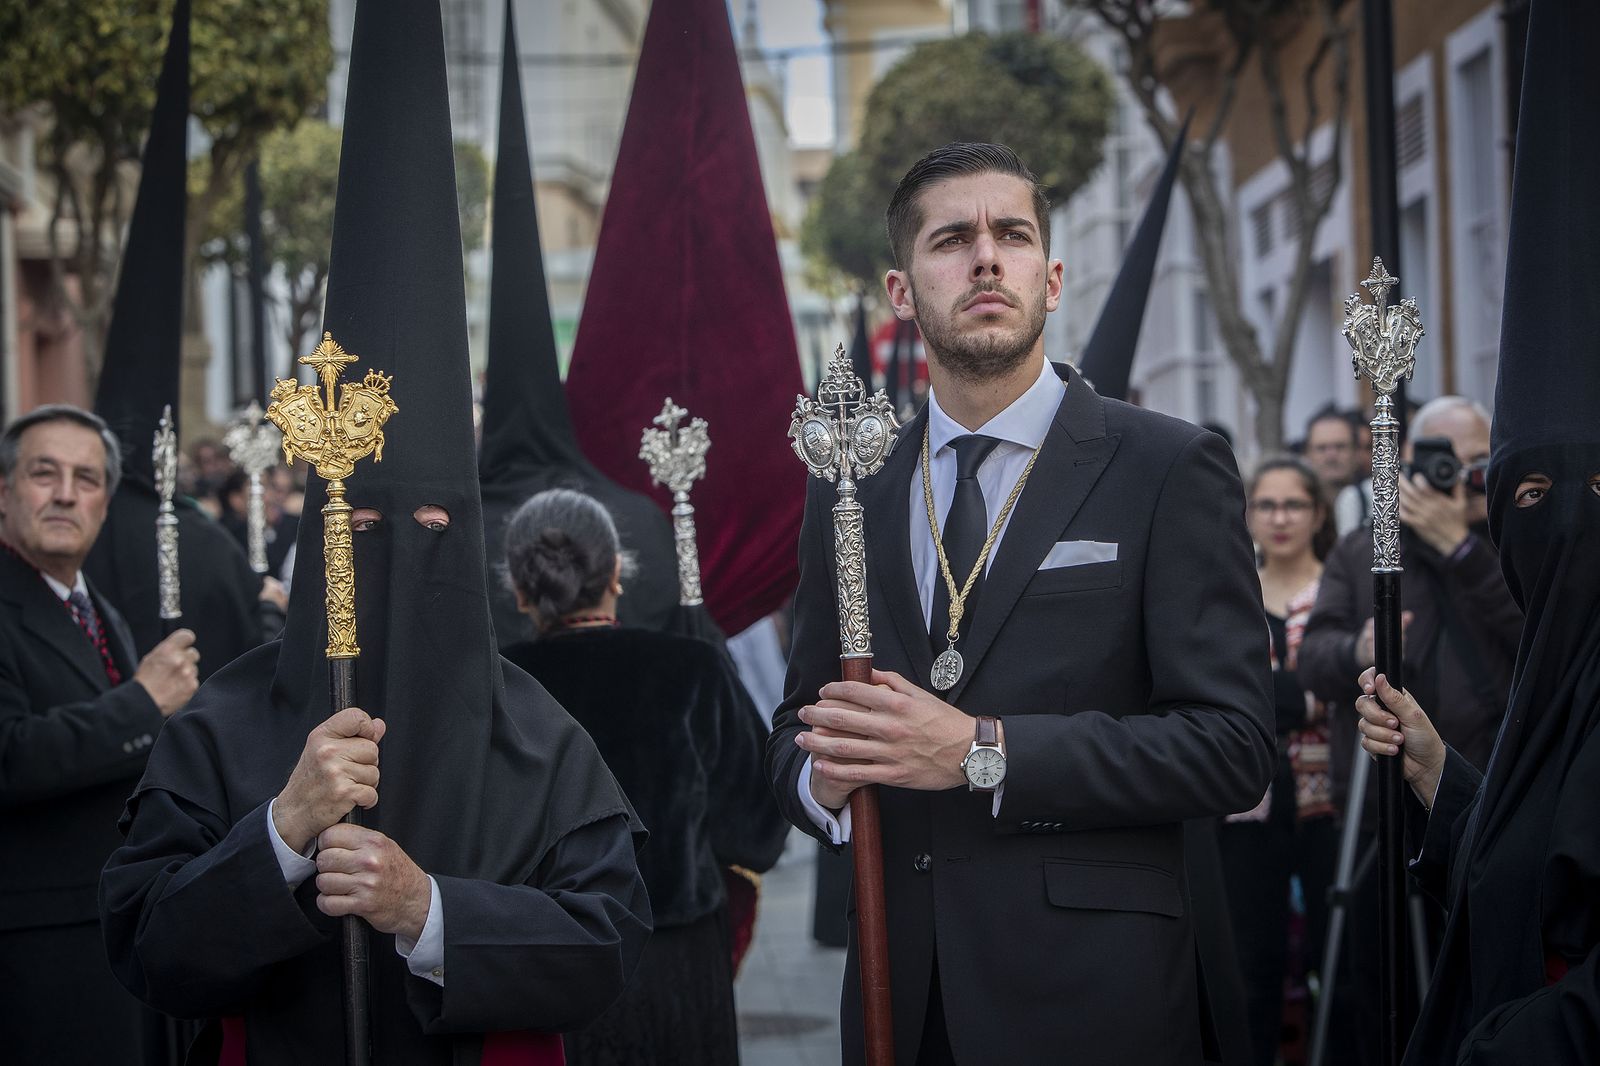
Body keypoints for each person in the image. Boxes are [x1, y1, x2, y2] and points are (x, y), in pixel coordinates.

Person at [98, 1, 651, 1062]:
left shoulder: (538, 741)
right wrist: (281, 833)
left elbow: (607, 945)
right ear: (321, 535)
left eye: (435, 524)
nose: (402, 545)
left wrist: (427, 910)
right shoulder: (220, 728)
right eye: (365, 522)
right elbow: (146, 948)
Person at [767, 142, 1274, 1065]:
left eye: (1013, 234)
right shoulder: (851, 484)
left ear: (1052, 276)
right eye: (952, 239)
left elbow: (1233, 748)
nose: (986, 257)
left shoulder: (1166, 465)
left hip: (1097, 996)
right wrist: (823, 783)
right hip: (903, 999)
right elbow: (794, 724)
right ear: (902, 289)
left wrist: (980, 752)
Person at [500, 488, 789, 1066]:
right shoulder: (691, 669)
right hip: (673, 962)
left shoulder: (497, 689)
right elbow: (755, 832)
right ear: (615, 573)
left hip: (542, 969)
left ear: (520, 589)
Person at [0, 405, 199, 1065]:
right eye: (43, 473)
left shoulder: (96, 606)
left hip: (121, 931)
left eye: (86, 479)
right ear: (5, 491)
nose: (64, 493)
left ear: (106, 504)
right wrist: (143, 705)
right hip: (41, 947)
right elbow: (11, 756)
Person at [1218, 457, 1339, 1066]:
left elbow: (1342, 687)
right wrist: (1300, 693)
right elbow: (1225, 694)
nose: (1281, 518)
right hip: (1247, 806)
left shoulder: (1340, 593)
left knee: (1338, 958)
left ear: (1319, 513)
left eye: (1295, 505)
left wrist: (1272, 692)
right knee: (1251, 965)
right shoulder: (1232, 592)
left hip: (1332, 805)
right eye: (1266, 505)